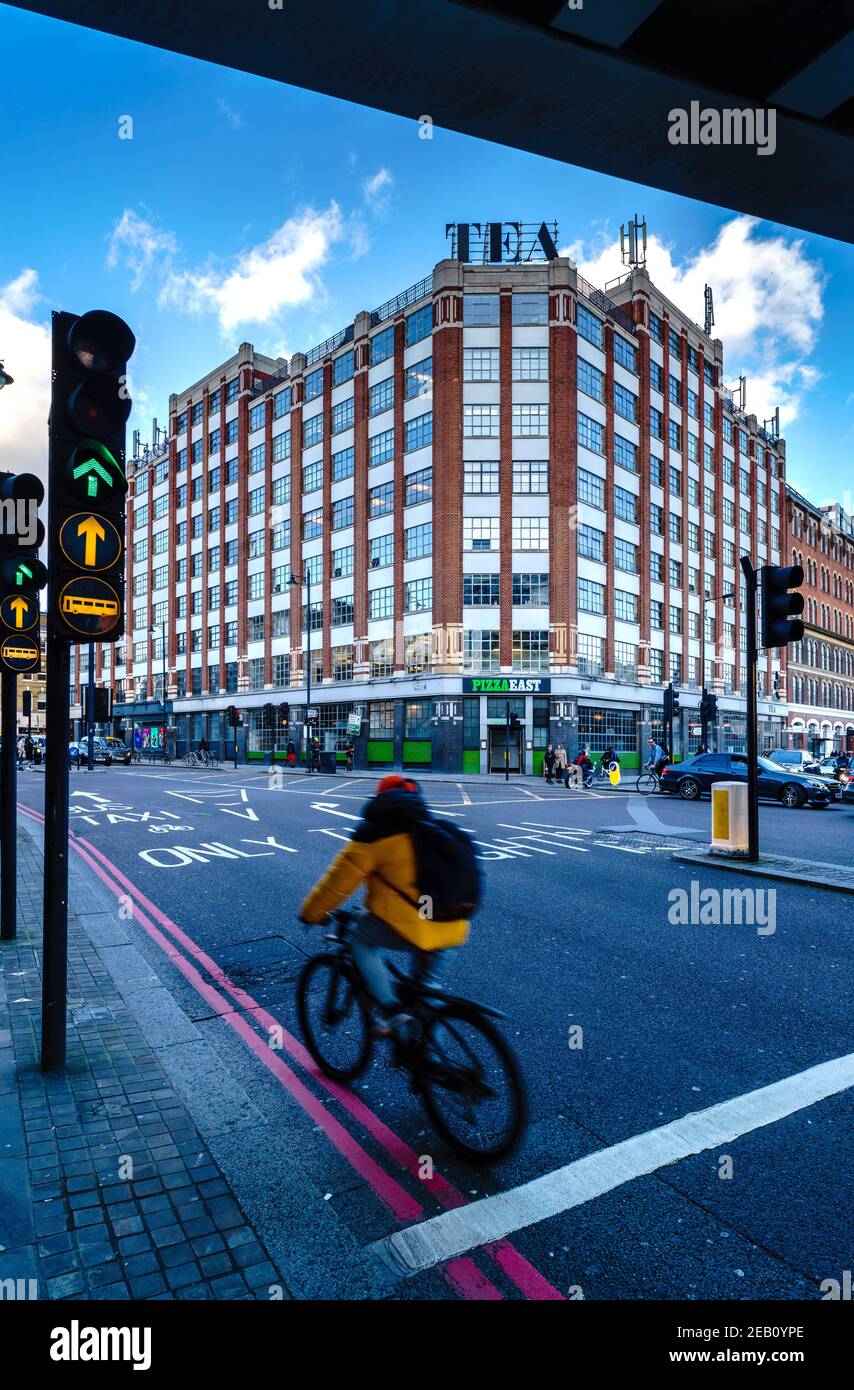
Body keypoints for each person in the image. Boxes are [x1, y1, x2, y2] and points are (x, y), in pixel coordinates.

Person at [299, 775, 471, 1036]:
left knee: (361, 939)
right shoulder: (431, 828)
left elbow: (337, 884)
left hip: (419, 927)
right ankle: (431, 1067)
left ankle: (390, 1009)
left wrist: (311, 914)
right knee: (425, 996)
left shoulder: (372, 836)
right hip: (452, 923)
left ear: (380, 800)